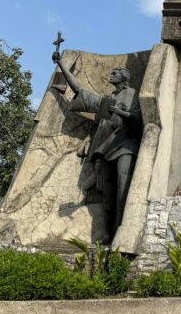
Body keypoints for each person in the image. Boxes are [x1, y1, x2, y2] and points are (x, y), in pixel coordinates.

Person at [53, 51, 142, 243]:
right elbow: (80, 92)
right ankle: (108, 234)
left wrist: (120, 112)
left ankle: (122, 231)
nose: (111, 74)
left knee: (122, 187)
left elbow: (138, 119)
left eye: (115, 72)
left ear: (124, 77)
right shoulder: (106, 99)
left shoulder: (132, 94)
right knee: (108, 194)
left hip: (125, 144)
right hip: (107, 148)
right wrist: (61, 65)